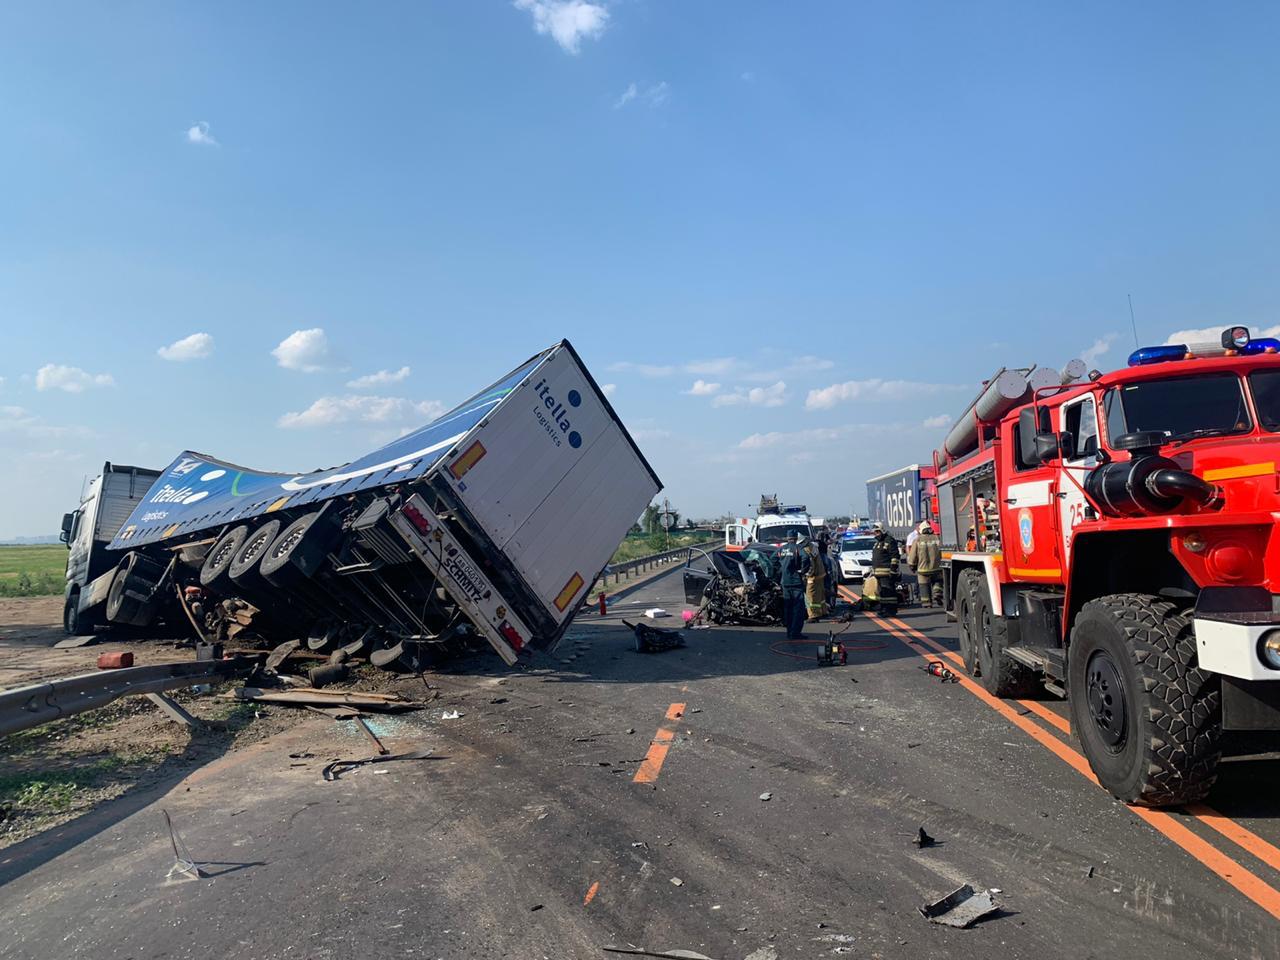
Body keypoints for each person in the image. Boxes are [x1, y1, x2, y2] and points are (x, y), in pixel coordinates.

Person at [777, 531, 811, 639]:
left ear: (787, 538)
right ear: (796, 538)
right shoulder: (797, 548)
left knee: (788, 608)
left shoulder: (782, 549)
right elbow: (805, 557)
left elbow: (772, 559)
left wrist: (780, 570)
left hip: (785, 582)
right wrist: (802, 570)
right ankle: (795, 633)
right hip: (795, 582)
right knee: (798, 608)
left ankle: (789, 632)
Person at [907, 520, 943, 607]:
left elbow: (913, 555)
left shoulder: (917, 540)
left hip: (923, 569)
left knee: (924, 586)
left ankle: (927, 603)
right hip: (937, 567)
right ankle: (937, 593)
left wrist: (912, 565)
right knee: (938, 581)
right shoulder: (937, 538)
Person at [871, 527, 900, 606]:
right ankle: (884, 608)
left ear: (882, 531)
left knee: (889, 592)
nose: (876, 534)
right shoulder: (878, 542)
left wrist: (893, 569)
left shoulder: (889, 541)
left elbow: (895, 556)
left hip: (886, 573)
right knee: (883, 593)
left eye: (877, 531)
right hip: (878, 573)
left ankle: (890, 609)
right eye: (875, 532)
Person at [804, 537, 828, 621]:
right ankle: (823, 611)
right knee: (820, 595)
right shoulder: (813, 546)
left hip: (813, 576)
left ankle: (813, 615)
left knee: (811, 595)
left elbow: (811, 565)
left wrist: (807, 575)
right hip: (820, 573)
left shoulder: (807, 549)